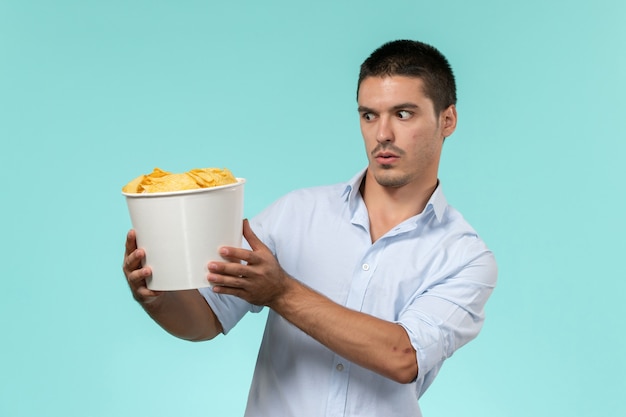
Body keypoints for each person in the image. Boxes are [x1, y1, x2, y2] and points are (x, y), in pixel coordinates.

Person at [123, 39, 497, 416]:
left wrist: (280, 292)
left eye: (403, 114)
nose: (382, 133)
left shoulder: (465, 257)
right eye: (369, 115)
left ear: (447, 119)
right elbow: (206, 319)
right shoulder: (296, 213)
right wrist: (158, 297)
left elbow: (404, 356)